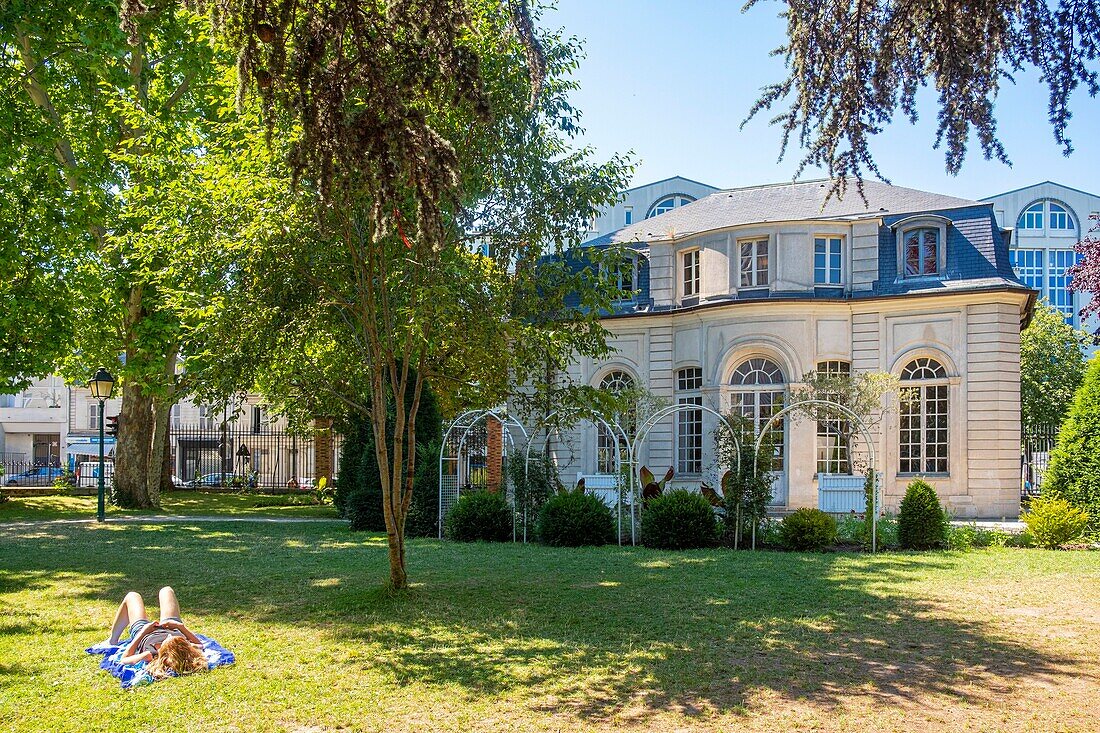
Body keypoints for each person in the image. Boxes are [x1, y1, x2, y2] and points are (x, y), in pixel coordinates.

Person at [108, 586, 208, 680]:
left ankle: (113, 640)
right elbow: (200, 645)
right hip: (171, 627)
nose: (168, 636)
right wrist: (180, 626)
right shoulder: (183, 647)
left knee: (132, 596)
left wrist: (143, 631)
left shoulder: (150, 654)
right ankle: (173, 624)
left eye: (168, 639)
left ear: (165, 651)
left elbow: (124, 659)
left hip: (144, 632)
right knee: (166, 590)